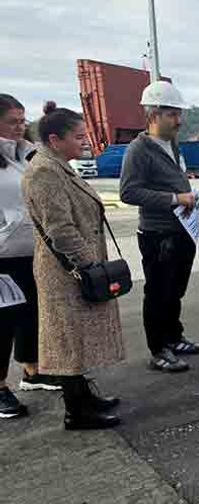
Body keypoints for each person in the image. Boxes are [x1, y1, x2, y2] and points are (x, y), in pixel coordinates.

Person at [23, 104, 124, 430]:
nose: (85, 142)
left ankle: (85, 397)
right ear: (55, 139)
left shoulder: (58, 166)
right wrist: (90, 263)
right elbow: (60, 229)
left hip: (71, 270)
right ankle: (76, 411)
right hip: (64, 272)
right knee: (67, 340)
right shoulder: (43, 172)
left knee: (76, 339)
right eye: (78, 137)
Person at [120, 81, 199, 372]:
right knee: (158, 292)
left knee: (175, 289)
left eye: (179, 113)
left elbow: (181, 183)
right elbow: (129, 192)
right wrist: (174, 199)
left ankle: (174, 336)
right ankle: (159, 349)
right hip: (157, 234)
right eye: (172, 114)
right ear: (154, 114)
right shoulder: (139, 149)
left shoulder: (172, 144)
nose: (178, 120)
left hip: (182, 230)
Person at [0, 95, 61, 420]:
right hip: (3, 257)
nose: (19, 126)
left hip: (33, 251)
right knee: (3, 322)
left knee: (31, 315)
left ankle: (32, 371)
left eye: (22, 120)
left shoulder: (24, 154)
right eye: (13, 121)